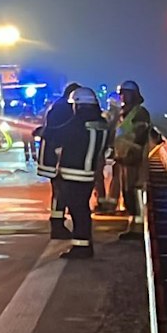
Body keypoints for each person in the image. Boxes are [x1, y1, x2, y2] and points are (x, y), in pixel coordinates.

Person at [47, 86, 110, 258]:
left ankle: (82, 247)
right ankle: (83, 244)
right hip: (89, 174)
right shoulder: (102, 123)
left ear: (79, 105)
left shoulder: (78, 123)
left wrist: (44, 132)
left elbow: (61, 135)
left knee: (77, 210)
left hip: (73, 174)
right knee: (82, 208)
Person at [36, 82, 84, 239]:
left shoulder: (58, 106)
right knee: (61, 191)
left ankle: (57, 223)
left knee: (59, 191)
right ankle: (57, 227)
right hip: (55, 156)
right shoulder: (66, 109)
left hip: (51, 155)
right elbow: (67, 131)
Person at [111, 80, 153, 239]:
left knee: (134, 192)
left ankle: (138, 229)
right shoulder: (123, 113)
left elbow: (139, 136)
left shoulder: (140, 113)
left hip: (135, 160)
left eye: (125, 93)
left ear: (134, 95)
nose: (122, 96)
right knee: (127, 193)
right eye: (121, 93)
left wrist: (130, 152)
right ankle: (132, 226)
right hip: (123, 159)